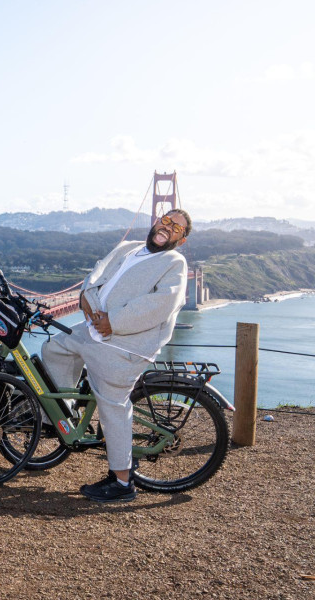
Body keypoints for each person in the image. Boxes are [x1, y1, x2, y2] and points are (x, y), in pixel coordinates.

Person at [40, 209, 192, 502]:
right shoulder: (128, 247)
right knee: (53, 349)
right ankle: (66, 412)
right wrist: (85, 294)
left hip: (124, 344)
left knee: (113, 407)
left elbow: (160, 304)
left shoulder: (174, 262)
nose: (167, 227)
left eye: (177, 228)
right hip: (93, 330)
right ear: (157, 220)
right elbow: (97, 273)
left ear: (181, 240)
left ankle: (122, 483)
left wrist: (115, 321)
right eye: (166, 220)